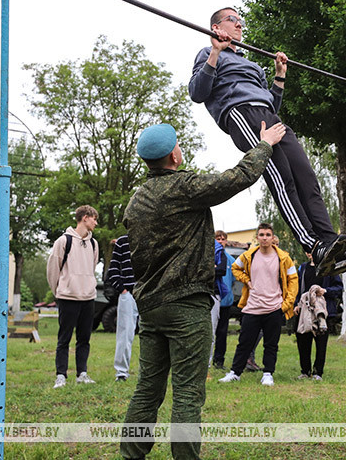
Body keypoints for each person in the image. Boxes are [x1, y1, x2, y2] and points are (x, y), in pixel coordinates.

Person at [120, 121, 284, 460]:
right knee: (187, 394)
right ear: (173, 156)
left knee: (147, 389)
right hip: (186, 305)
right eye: (178, 145)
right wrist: (265, 144)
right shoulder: (182, 186)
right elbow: (237, 177)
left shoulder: (136, 201)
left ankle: (131, 455)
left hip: (150, 308)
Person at [189, 7, 346, 277]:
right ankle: (313, 246)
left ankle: (331, 243)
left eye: (241, 21)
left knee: (306, 177)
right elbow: (197, 93)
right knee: (282, 178)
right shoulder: (209, 54)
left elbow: (272, 102)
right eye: (233, 20)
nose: (240, 25)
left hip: (269, 115)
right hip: (241, 112)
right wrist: (215, 52)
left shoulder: (253, 64)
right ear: (217, 26)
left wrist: (279, 75)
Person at [220, 223, 297, 386]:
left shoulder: (283, 258)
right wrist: (246, 280)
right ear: (257, 237)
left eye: (268, 235)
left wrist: (286, 304)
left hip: (274, 307)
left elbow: (293, 281)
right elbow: (235, 268)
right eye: (261, 235)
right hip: (252, 307)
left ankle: (268, 373)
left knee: (271, 344)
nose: (264, 238)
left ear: (272, 237)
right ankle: (235, 373)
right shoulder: (249, 255)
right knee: (244, 342)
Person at [47, 205, 100, 388]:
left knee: (84, 338)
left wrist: (88, 286)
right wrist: (60, 291)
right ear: (85, 218)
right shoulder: (63, 241)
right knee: (64, 339)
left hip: (88, 298)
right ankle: (61, 375)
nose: (96, 222)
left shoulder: (94, 244)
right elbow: (53, 269)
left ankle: (82, 374)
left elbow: (91, 269)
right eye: (94, 218)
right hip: (68, 297)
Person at [294, 252, 343, 380]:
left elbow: (339, 288)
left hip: (322, 310)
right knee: (303, 340)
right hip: (304, 309)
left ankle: (317, 372)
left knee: (321, 342)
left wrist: (325, 291)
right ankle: (305, 371)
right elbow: (297, 287)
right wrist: (296, 304)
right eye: (308, 251)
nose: (311, 253)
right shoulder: (303, 268)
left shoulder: (329, 267)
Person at [106, 235, 138, 382]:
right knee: (124, 333)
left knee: (153, 335)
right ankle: (121, 373)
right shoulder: (123, 242)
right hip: (128, 293)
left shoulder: (155, 236)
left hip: (150, 293)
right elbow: (113, 270)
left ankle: (151, 373)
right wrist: (123, 289)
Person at [211, 231, 235, 370]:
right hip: (213, 298)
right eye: (218, 239)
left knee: (222, 332)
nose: (221, 241)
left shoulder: (230, 260)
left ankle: (219, 360)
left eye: (223, 239)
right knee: (211, 330)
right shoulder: (212, 256)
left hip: (226, 301)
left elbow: (233, 279)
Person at [208, 238, 229, 365]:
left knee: (211, 330)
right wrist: (212, 267)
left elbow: (221, 269)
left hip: (213, 293)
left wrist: (206, 268)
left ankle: (208, 363)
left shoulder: (219, 251)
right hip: (194, 293)